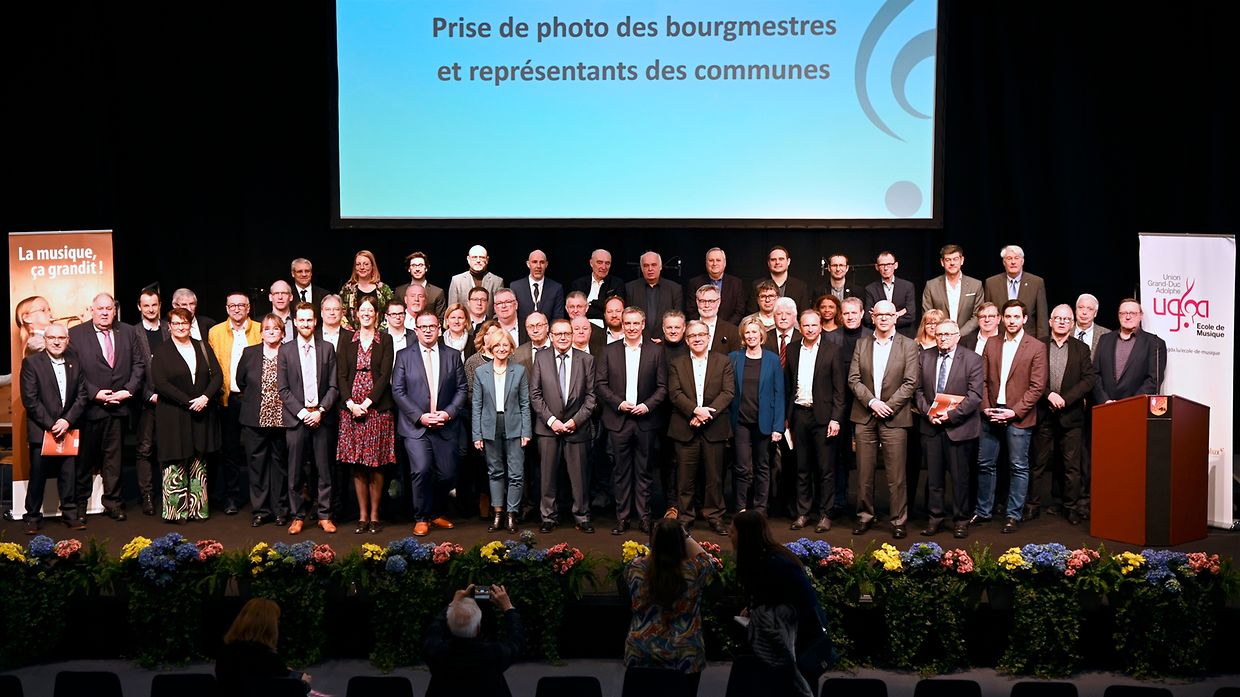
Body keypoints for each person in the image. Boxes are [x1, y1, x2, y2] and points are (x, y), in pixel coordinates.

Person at [731, 511, 831, 694]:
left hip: (797, 642)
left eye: (733, 532)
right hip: (785, 643)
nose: (730, 536)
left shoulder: (775, 563)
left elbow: (798, 603)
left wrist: (760, 613)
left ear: (745, 535)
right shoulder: (767, 558)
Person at [69, 292, 146, 521]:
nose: (104, 312)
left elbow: (139, 365)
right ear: (91, 310)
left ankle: (113, 502)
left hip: (120, 408)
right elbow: (74, 370)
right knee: (84, 460)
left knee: (114, 460)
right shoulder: (76, 334)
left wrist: (128, 391)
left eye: (109, 308)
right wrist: (95, 393)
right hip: (90, 408)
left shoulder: (129, 332)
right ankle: (80, 504)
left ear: (115, 310)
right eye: (100, 308)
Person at [974, 300, 1048, 534]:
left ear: (1025, 319)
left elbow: (1037, 387)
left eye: (1017, 316)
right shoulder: (991, 343)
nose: (1012, 320)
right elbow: (982, 380)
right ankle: (983, 511)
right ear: (1002, 319)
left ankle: (1013, 515)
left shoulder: (1035, 347)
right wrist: (986, 408)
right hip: (991, 413)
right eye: (1008, 316)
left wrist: (1014, 412)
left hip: (1018, 415)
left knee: (1018, 466)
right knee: (985, 464)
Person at [848, 300, 919, 539]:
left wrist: (887, 406)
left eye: (889, 314)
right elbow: (854, 379)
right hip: (865, 415)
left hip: (895, 416)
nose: (885, 318)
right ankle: (865, 516)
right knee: (864, 474)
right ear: (872, 316)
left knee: (896, 475)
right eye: (880, 315)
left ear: (896, 317)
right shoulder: (862, 343)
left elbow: (910, 382)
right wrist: (872, 403)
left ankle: (898, 520)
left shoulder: (908, 345)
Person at [393, 310, 467, 536]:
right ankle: (422, 517)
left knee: (447, 474)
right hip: (416, 427)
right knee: (422, 469)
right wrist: (420, 416)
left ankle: (435, 512)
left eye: (431, 326)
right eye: (422, 327)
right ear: (416, 330)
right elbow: (398, 390)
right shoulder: (404, 355)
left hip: (445, 425)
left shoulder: (453, 355)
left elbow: (462, 389)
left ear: (439, 329)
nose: (427, 331)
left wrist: (447, 413)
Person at [624, 518, 718, 695]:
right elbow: (707, 560)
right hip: (685, 654)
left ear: (653, 542)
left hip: (642, 652)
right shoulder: (694, 570)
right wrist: (685, 535)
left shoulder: (635, 568)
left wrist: (658, 541)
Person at [596, 307, 668, 535]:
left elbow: (662, 387)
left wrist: (647, 405)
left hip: (646, 420)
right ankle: (623, 518)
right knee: (620, 472)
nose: (632, 327)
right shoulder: (608, 351)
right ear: (622, 324)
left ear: (643, 325)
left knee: (645, 472)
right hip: (618, 420)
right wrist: (618, 403)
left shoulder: (656, 352)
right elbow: (600, 384)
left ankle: (644, 518)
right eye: (628, 323)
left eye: (636, 323)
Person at [150, 307, 224, 523]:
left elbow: (217, 375)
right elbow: (160, 383)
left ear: (190, 324)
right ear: (169, 326)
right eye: (176, 323)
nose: (181, 327)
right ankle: (176, 512)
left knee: (198, 460)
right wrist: (187, 401)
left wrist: (205, 398)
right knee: (175, 460)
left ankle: (198, 510)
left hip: (201, 411)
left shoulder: (201, 346)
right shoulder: (162, 351)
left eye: (185, 323)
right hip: (173, 414)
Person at [913, 319, 983, 539]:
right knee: (933, 478)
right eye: (939, 334)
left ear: (957, 336)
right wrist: (928, 413)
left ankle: (961, 520)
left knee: (960, 479)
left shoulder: (973, 359)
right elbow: (917, 391)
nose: (943, 338)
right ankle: (935, 519)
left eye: (948, 334)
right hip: (931, 427)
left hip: (959, 428)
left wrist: (950, 415)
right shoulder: (925, 356)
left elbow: (975, 396)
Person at [1030, 305, 1096, 525]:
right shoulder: (1038, 344)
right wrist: (1049, 395)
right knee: (1037, 464)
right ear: (1050, 322)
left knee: (1071, 466)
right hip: (1042, 412)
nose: (1061, 322)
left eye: (1066, 319)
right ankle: (1032, 506)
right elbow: (1032, 377)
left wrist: (1065, 399)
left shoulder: (1081, 348)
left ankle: (1070, 507)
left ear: (1072, 323)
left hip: (1071, 415)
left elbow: (1088, 380)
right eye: (1057, 318)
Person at [668, 320, 735, 535]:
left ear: (708, 338)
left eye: (701, 335)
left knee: (715, 478)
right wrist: (696, 411)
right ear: (687, 341)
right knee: (685, 479)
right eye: (692, 336)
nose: (697, 339)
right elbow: (675, 393)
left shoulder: (723, 361)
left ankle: (714, 516)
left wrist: (706, 414)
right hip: (685, 428)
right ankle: (685, 517)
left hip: (714, 428)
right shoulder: (677, 363)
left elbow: (728, 393)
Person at [19, 323, 88, 533]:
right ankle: (32, 516)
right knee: (38, 475)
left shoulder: (75, 363)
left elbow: (82, 396)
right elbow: (30, 400)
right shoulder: (31, 363)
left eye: (61, 338)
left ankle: (69, 514)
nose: (57, 342)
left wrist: (66, 421)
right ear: (45, 340)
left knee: (68, 474)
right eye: (52, 338)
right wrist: (52, 424)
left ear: (67, 341)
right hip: (42, 431)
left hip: (68, 429)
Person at [278, 302, 340, 535]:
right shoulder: (286, 350)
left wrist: (320, 411)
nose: (305, 324)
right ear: (295, 322)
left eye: (309, 320)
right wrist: (304, 414)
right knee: (294, 471)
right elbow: (283, 389)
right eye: (301, 320)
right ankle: (298, 516)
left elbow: (334, 387)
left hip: (321, 417)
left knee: (324, 469)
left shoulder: (327, 348)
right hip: (297, 419)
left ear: (316, 321)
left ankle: (324, 515)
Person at [531, 318, 597, 533]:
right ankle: (548, 517)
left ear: (572, 335)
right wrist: (552, 421)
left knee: (579, 478)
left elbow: (591, 398)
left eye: (566, 334)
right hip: (548, 429)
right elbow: (535, 394)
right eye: (558, 334)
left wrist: (574, 421)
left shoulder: (586, 360)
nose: (562, 337)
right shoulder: (540, 358)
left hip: (577, 428)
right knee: (547, 476)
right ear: (551, 336)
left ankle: (581, 516)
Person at [336, 296, 396, 534]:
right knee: (358, 465)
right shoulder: (346, 340)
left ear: (377, 314)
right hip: (351, 409)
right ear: (356, 313)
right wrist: (351, 404)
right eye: (363, 310)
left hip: (377, 409)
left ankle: (374, 516)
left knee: (377, 464)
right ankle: (362, 516)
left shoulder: (386, 339)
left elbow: (384, 375)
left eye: (371, 310)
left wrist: (368, 403)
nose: (367, 313)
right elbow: (340, 375)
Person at [786, 310, 846, 534]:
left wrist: (836, 419)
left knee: (825, 469)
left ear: (820, 326)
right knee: (802, 468)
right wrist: (786, 419)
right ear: (799, 327)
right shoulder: (792, 350)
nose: (810, 329)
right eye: (806, 325)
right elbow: (788, 386)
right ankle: (803, 513)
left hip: (824, 417)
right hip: (799, 415)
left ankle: (825, 514)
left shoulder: (833, 350)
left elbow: (840, 390)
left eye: (814, 325)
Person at [207, 291, 262, 516]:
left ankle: (259, 499)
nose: (237, 309)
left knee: (255, 451)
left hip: (255, 400)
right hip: (227, 399)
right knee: (229, 450)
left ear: (248, 308)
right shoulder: (215, 332)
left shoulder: (260, 329)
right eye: (232, 306)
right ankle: (231, 496)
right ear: (226, 308)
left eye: (241, 305)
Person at [472, 328, 531, 533]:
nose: (501, 348)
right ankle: (497, 513)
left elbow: (525, 404)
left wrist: (526, 432)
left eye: (505, 345)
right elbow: (476, 405)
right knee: (495, 472)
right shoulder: (481, 372)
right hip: (489, 427)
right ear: (491, 347)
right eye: (497, 345)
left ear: (511, 348)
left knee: (516, 473)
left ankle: (511, 515)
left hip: (514, 426)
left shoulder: (520, 370)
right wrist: (477, 434)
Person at [237, 315, 291, 527]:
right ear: (260, 333)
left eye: (275, 328)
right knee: (257, 466)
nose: (270, 331)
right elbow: (241, 381)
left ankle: (280, 510)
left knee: (280, 465)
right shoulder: (250, 353)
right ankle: (261, 510)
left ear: (282, 332)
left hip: (283, 418)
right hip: (255, 419)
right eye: (267, 328)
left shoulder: (289, 352)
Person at [728, 317, 785, 517]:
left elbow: (779, 393)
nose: (751, 336)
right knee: (742, 467)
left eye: (754, 332)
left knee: (763, 467)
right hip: (740, 422)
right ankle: (741, 509)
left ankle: (761, 509)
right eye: (747, 332)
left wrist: (778, 427)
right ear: (743, 336)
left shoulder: (772, 359)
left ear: (761, 335)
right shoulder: (734, 357)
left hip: (764, 423)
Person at [424, 584, 523, 697]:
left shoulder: (437, 653)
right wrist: (508, 607)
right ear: (478, 628)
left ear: (449, 626)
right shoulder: (493, 654)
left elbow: (434, 630)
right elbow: (516, 640)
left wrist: (453, 605)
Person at [216, 598, 310, 696]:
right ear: (269, 626)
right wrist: (302, 680)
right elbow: (292, 688)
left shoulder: (225, 652)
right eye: (276, 620)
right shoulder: (269, 658)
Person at [1092, 298, 1167, 402]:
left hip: (1135, 408)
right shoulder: (1105, 339)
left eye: (1132, 313)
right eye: (1123, 313)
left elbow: (1154, 380)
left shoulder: (1155, 343)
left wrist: (1130, 403)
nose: (1128, 317)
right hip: (1105, 406)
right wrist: (1105, 400)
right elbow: (1095, 374)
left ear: (1141, 316)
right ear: (1118, 315)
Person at [983, 245, 1049, 338]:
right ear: (1004, 262)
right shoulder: (991, 283)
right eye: (1009, 258)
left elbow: (1042, 318)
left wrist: (1042, 343)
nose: (1013, 262)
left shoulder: (1036, 283)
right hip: (999, 338)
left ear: (1022, 261)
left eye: (1016, 258)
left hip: (1028, 339)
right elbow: (988, 315)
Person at [922, 244, 984, 338]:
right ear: (942, 262)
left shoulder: (975, 285)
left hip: (967, 339)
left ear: (962, 260)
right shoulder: (931, 285)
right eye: (948, 260)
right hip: (939, 339)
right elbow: (928, 315)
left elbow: (977, 315)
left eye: (955, 259)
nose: (952, 263)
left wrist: (958, 334)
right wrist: (944, 334)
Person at [625, 251, 684, 341]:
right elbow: (627, 317)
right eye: (646, 266)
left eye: (654, 265)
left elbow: (679, 318)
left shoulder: (674, 288)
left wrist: (663, 339)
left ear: (660, 267)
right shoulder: (630, 288)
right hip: (638, 342)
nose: (650, 269)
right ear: (641, 268)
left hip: (666, 343)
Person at [862, 251, 918, 337]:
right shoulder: (870, 289)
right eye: (882, 265)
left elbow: (910, 315)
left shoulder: (907, 286)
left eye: (889, 264)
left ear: (896, 265)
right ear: (877, 267)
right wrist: (897, 314)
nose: (886, 268)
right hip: (880, 336)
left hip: (904, 335)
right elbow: (868, 318)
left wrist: (880, 316)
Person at [687, 247, 746, 325]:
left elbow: (739, 311)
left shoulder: (736, 283)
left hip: (728, 330)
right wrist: (703, 327)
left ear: (724, 263)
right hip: (701, 331)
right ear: (706, 263)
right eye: (711, 260)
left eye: (718, 260)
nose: (714, 264)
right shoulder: (694, 283)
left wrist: (725, 328)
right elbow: (691, 310)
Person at [339, 250, 395, 330]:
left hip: (380, 337)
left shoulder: (383, 289)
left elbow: (393, 312)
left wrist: (380, 332)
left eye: (366, 264)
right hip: (352, 337)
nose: (362, 267)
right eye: (358, 264)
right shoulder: (348, 289)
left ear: (372, 266)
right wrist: (351, 332)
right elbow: (339, 312)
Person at [569, 248, 625, 328]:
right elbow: (574, 310)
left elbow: (618, 311)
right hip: (580, 327)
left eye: (607, 263)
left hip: (607, 327)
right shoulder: (578, 284)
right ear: (591, 263)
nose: (603, 267)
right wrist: (601, 305)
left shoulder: (617, 283)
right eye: (599, 262)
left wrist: (590, 304)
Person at [748, 245, 811, 317]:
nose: (777, 262)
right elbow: (751, 315)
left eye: (781, 259)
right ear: (768, 263)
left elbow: (804, 316)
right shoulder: (757, 285)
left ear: (788, 261)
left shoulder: (800, 287)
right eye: (773, 259)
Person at [447, 244, 505, 316]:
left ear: (487, 260)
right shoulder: (456, 281)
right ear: (468, 259)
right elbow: (452, 310)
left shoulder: (497, 281)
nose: (478, 260)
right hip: (464, 326)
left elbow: (499, 311)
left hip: (489, 325)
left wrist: (491, 326)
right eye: (474, 257)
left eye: (481, 257)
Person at [512, 249, 566, 322]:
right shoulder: (515, 287)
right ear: (528, 264)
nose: (538, 266)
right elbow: (512, 316)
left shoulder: (556, 288)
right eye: (534, 262)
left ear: (546, 264)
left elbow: (558, 318)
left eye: (542, 262)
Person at [394, 251, 448, 318]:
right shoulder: (400, 291)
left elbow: (441, 319)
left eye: (421, 265)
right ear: (409, 269)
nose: (417, 269)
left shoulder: (437, 293)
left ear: (426, 268)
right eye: (413, 265)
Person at [693, 284, 741, 354]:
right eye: (702, 301)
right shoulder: (687, 328)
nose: (707, 305)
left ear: (719, 302)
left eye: (711, 301)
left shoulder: (732, 331)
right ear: (697, 302)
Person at [1073, 293, 1111, 359]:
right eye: (1081, 307)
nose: (1084, 312)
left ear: (1095, 313)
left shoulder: (1106, 335)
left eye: (1090, 309)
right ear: (1076, 310)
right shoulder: (1066, 331)